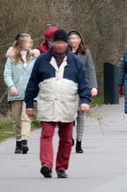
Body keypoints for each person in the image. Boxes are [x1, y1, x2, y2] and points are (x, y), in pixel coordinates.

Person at [25, 29, 91, 179]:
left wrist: (85, 100)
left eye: (62, 42)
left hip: (68, 104)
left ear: (66, 43)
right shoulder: (42, 60)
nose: (59, 45)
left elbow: (83, 84)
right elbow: (33, 83)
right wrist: (29, 103)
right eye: (56, 42)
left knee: (67, 139)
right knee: (46, 134)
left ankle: (61, 167)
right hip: (47, 103)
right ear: (51, 43)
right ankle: (46, 164)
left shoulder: (76, 62)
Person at [4, 33, 40, 154]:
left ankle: (25, 141)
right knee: (17, 119)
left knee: (26, 117)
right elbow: (7, 74)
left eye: (31, 42)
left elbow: (38, 75)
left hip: (30, 93)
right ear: (21, 44)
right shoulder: (11, 58)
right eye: (27, 42)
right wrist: (11, 86)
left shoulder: (35, 58)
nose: (30, 44)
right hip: (16, 93)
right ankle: (18, 141)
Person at [67, 30, 98, 153]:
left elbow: (91, 70)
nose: (73, 40)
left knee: (80, 116)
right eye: (70, 38)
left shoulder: (86, 53)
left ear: (80, 40)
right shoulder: (63, 53)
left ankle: (79, 142)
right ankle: (69, 137)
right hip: (67, 88)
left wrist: (93, 87)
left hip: (81, 88)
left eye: (75, 38)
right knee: (69, 116)